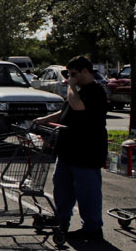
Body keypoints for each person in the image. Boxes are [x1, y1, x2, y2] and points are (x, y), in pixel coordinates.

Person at [34, 56, 109, 241]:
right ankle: (62, 221)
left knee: (87, 191)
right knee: (62, 187)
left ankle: (92, 229)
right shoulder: (78, 91)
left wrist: (71, 85)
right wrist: (44, 120)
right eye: (68, 74)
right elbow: (66, 109)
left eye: (73, 74)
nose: (70, 78)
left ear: (85, 71)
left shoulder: (94, 91)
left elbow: (77, 105)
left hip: (86, 151)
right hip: (67, 150)